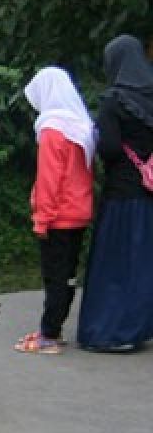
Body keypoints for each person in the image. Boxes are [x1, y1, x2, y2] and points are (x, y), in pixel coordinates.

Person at [76, 34, 153, 353]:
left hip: (122, 193)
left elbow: (108, 148)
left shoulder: (114, 100)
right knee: (141, 263)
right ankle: (137, 327)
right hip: (149, 194)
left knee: (114, 264)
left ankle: (108, 330)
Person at [13, 66, 96, 355]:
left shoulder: (52, 130)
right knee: (69, 275)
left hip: (58, 215)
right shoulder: (81, 125)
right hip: (80, 211)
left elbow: (50, 178)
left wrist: (41, 219)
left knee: (54, 276)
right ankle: (54, 328)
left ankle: (49, 334)